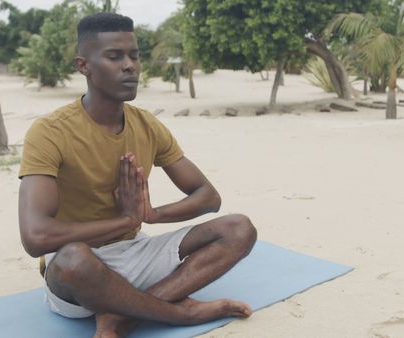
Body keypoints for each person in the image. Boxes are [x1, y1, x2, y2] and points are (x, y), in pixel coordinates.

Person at [17, 12, 257, 338]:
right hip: (79, 275)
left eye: (134, 55)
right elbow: (36, 238)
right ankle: (180, 313)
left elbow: (208, 196)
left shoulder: (147, 124)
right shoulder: (49, 132)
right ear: (83, 66)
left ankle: (120, 318)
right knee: (75, 259)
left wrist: (152, 215)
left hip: (136, 254)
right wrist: (124, 221)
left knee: (239, 229)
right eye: (114, 57)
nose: (130, 66)